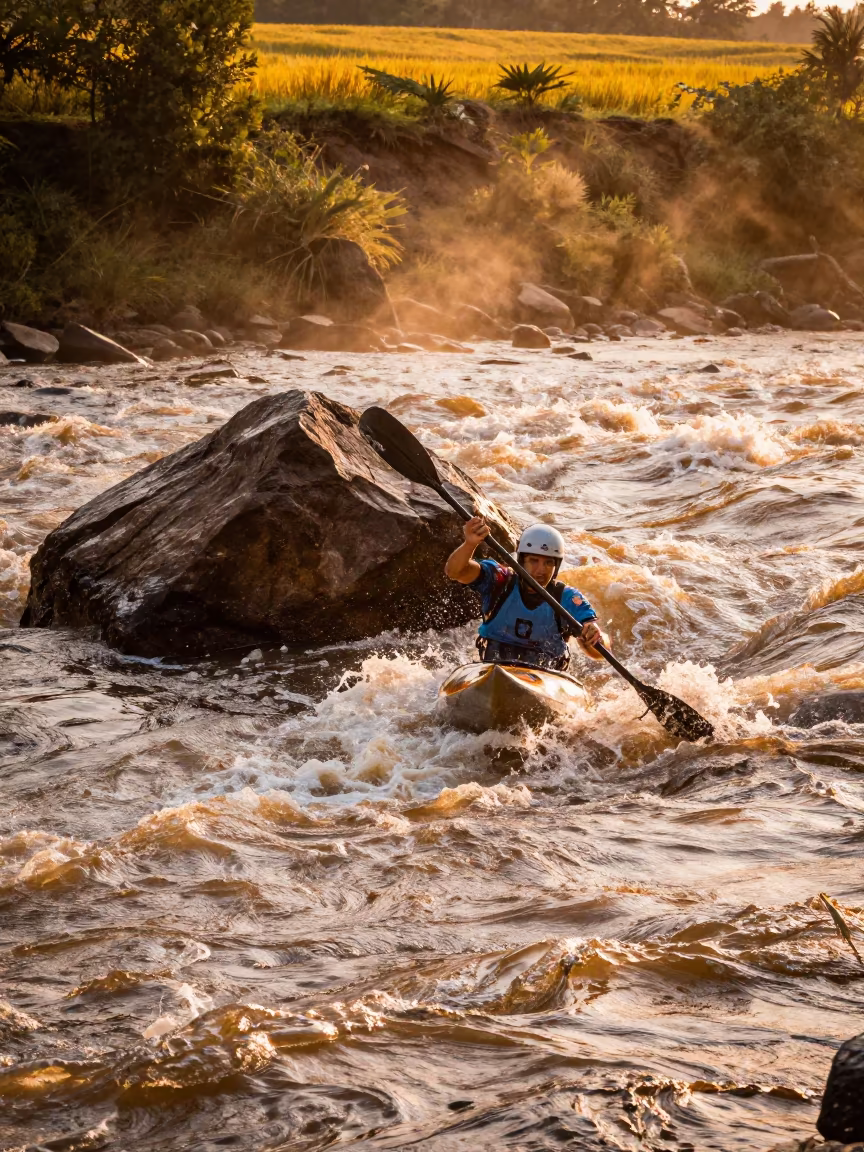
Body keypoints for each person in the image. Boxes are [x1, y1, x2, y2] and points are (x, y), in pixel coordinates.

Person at [444, 517, 606, 671]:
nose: (541, 570)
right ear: (521, 560)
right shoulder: (500, 580)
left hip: (546, 676)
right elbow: (455, 572)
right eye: (534, 560)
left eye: (548, 562)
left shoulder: (567, 598)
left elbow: (598, 653)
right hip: (493, 667)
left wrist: (593, 635)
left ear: (556, 567)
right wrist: (470, 544)